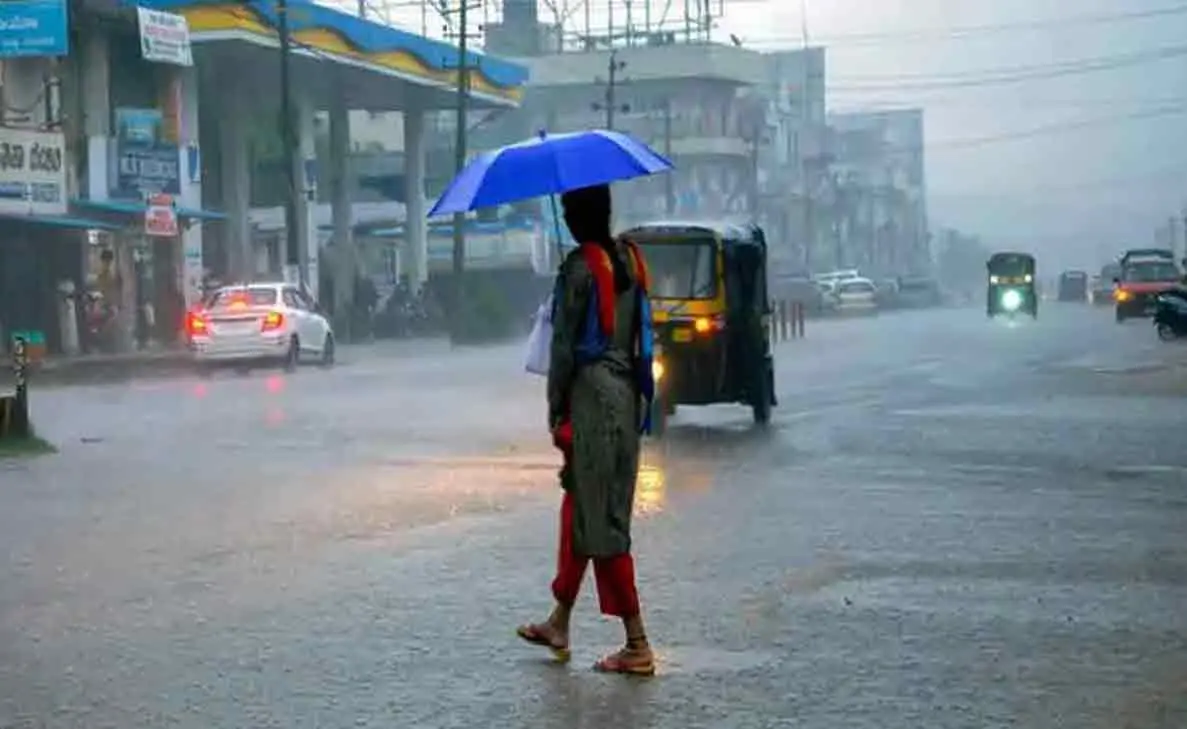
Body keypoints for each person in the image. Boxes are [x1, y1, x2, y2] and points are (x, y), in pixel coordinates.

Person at [516, 184, 658, 676]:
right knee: (583, 508)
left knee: (603, 523)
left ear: (577, 218)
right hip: (627, 397)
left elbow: (562, 351)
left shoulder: (578, 270)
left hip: (593, 402)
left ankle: (637, 643)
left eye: (567, 210)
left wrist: (557, 410)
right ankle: (560, 620)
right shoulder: (631, 260)